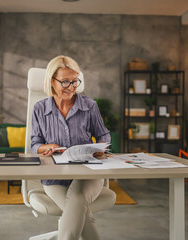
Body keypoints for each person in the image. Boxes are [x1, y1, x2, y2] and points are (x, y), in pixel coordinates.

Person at [30, 55, 111, 240]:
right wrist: (45, 147)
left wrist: (101, 148)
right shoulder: (39, 109)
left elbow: (104, 135)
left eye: (75, 81)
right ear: (52, 81)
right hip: (55, 178)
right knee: (80, 210)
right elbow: (35, 144)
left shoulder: (90, 106)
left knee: (77, 198)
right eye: (65, 82)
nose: (72, 87)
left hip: (88, 173)